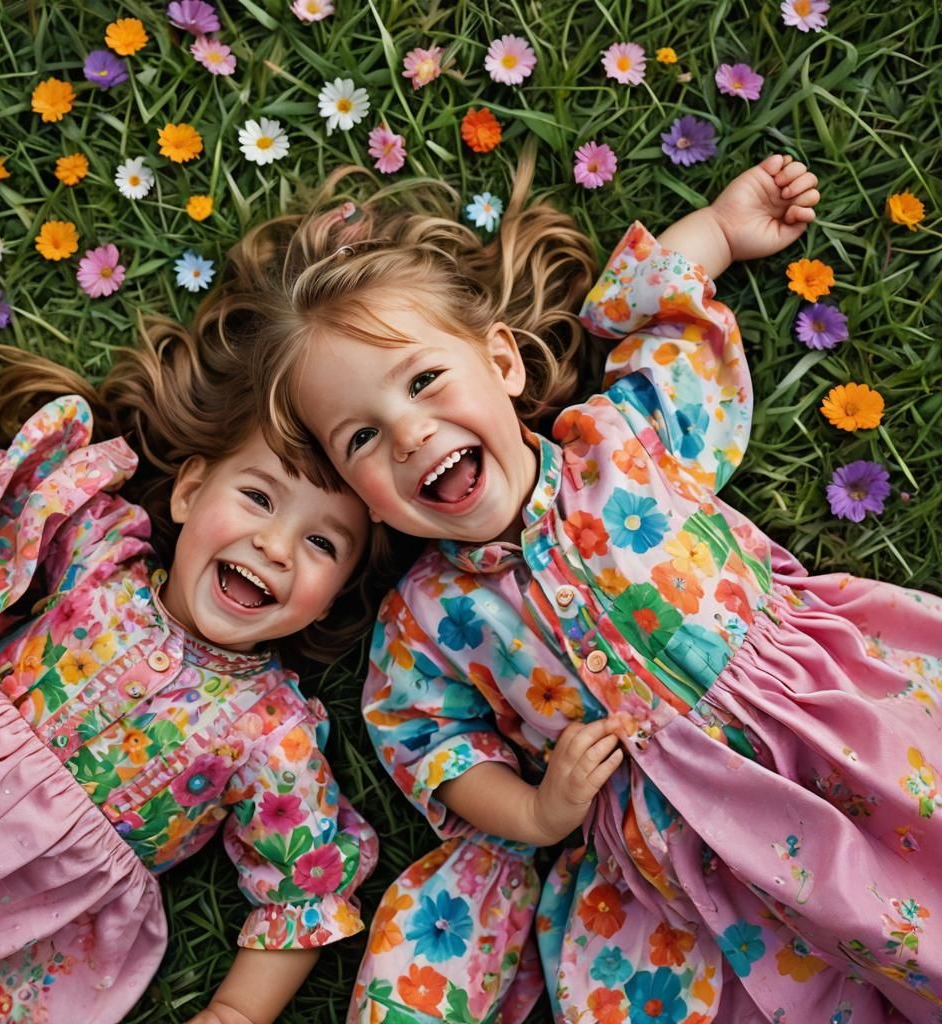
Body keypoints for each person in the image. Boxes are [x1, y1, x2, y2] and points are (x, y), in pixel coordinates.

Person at [238, 152, 942, 1022]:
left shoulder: (620, 438)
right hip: (689, 863)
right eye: (362, 439)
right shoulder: (424, 620)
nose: (412, 434)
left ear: (503, 362)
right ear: (361, 498)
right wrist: (537, 810)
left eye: (424, 381)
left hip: (825, 725)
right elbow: (433, 747)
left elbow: (663, 323)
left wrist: (721, 229)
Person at [0, 312, 395, 1024]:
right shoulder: (100, 552)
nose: (274, 544)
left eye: (322, 543)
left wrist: (237, 1010)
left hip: (25, 908)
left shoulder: (274, 735)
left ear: (328, 605)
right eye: (258, 497)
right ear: (188, 492)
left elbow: (304, 888)